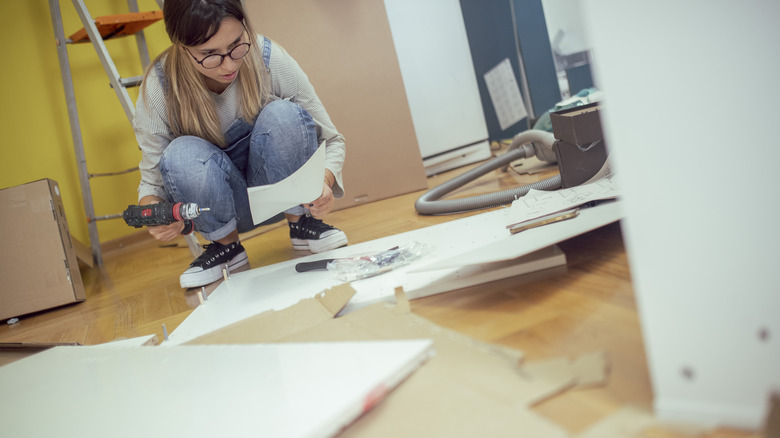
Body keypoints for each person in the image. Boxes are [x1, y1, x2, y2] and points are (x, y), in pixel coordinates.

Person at [133, 0, 348, 289]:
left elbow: (332, 139)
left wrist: (322, 182)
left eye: (237, 45)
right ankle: (226, 248)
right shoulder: (159, 87)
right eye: (210, 55)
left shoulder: (268, 58)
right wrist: (155, 213)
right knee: (180, 153)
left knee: (283, 115)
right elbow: (152, 185)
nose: (230, 64)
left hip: (283, 196)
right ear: (181, 48)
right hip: (217, 212)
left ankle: (302, 225)